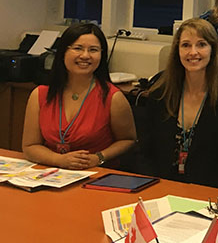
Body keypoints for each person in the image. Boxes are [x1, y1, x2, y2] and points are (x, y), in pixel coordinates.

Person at [142, 19, 218, 191]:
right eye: (185, 45)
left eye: (201, 44)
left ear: (213, 50)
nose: (193, 52)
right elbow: (146, 152)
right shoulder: (159, 95)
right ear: (177, 51)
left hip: (208, 192)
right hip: (161, 187)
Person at [21, 23, 136, 169]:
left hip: (96, 174)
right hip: (52, 172)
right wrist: (59, 160)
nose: (85, 56)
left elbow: (128, 140)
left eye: (93, 50)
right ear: (63, 52)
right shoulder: (40, 94)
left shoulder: (113, 97)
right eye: (78, 48)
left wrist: (98, 158)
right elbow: (30, 146)